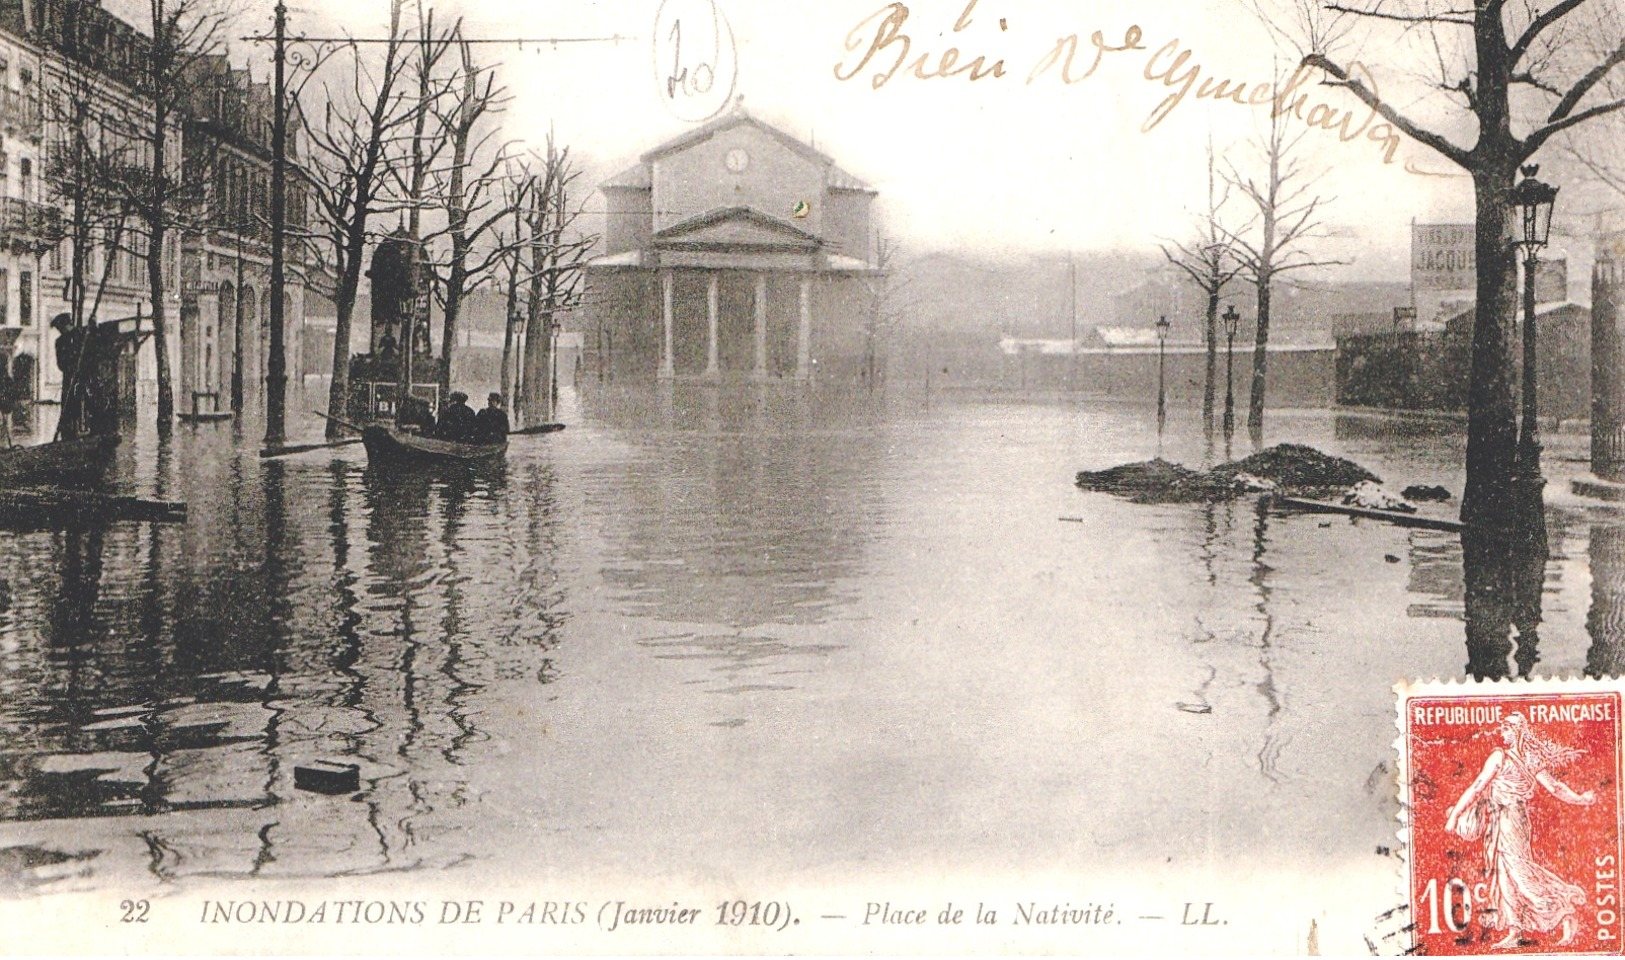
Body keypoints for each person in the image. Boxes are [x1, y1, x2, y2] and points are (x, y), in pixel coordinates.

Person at [1445, 712, 1593, 948]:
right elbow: (1554, 787)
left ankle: (1564, 910)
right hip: (1504, 818)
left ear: (1516, 732)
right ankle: (1516, 931)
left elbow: (1477, 787)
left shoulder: (1500, 757)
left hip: (1511, 819)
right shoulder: (1524, 757)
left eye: (1505, 729)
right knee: (1505, 876)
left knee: (1521, 874)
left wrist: (1454, 816)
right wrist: (1580, 799)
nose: (1501, 733)